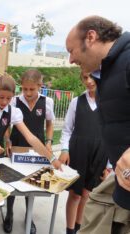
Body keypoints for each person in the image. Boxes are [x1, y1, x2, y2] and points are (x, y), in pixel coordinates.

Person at [0, 74, 62, 234]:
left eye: (8, 98)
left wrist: (51, 158)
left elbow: (31, 137)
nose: (4, 102)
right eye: (1, 97)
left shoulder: (14, 111)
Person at [66, 15, 130, 231]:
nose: (70, 60)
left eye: (71, 50)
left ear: (90, 37)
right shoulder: (106, 72)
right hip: (121, 184)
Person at [3, 69, 55, 234]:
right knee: (12, 179)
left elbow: (50, 123)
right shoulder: (14, 101)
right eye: (24, 89)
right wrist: (8, 140)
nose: (27, 93)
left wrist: (48, 142)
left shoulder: (47, 102)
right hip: (17, 143)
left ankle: (29, 215)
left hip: (37, 147)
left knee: (32, 181)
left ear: (40, 86)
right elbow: (6, 124)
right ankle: (9, 214)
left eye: (31, 89)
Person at [59, 72, 107, 234]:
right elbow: (66, 130)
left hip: (100, 154)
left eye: (92, 77)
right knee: (75, 195)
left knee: (87, 194)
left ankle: (79, 228)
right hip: (78, 152)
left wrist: (109, 165)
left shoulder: (108, 103)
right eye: (85, 78)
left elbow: (113, 133)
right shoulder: (76, 102)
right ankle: (70, 230)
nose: (89, 81)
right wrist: (64, 149)